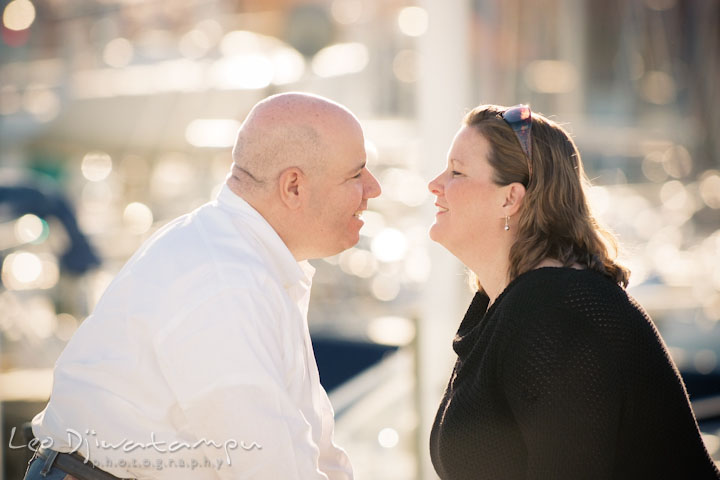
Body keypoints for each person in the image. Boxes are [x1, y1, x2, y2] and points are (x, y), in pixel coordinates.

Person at [24, 92, 381, 480]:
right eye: (356, 174)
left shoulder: (242, 261)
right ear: (293, 186)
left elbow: (309, 448)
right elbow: (267, 467)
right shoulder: (225, 282)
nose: (374, 188)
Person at [427, 104, 720, 479]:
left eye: (457, 171)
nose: (435, 184)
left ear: (510, 198)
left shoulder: (555, 308)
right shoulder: (512, 302)